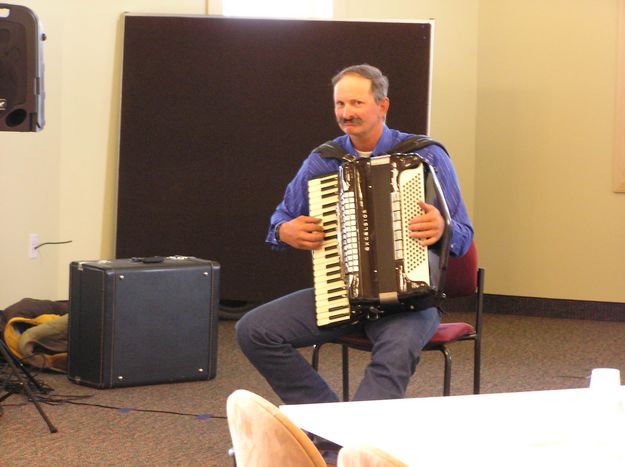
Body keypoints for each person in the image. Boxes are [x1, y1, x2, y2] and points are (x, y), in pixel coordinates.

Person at [236, 64, 473, 406]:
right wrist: (284, 231)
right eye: (339, 105)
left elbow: (463, 234)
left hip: (410, 303)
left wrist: (443, 229)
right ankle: (327, 423)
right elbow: (281, 218)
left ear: (382, 106)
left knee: (392, 359)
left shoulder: (425, 155)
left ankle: (352, 451)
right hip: (343, 296)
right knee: (254, 331)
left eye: (356, 104)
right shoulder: (325, 160)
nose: (346, 113)